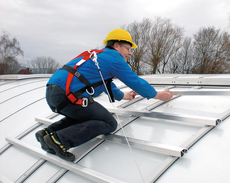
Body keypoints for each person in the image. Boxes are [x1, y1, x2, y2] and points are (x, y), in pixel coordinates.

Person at [35, 29, 173, 162]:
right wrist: (159, 95)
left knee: (89, 116)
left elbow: (105, 83)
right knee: (109, 123)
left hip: (53, 92)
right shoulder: (114, 58)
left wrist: (124, 96)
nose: (130, 53)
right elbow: (135, 81)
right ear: (117, 45)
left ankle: (47, 134)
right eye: (128, 48)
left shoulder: (100, 56)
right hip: (67, 95)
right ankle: (59, 140)